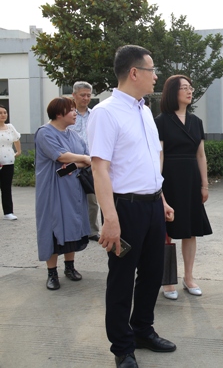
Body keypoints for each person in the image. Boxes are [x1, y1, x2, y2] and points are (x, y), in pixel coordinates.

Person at [87, 45, 176, 368]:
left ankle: (142, 330)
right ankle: (122, 347)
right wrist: (110, 219)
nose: (156, 76)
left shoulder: (143, 111)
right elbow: (100, 169)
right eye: (152, 70)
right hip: (124, 208)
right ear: (135, 72)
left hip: (152, 205)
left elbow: (148, 162)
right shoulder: (105, 113)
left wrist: (161, 199)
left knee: (152, 274)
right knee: (122, 279)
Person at [155, 75, 212, 300]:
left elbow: (201, 155)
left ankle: (189, 277)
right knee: (166, 231)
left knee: (190, 230)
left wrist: (204, 185)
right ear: (172, 92)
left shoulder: (196, 121)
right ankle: (168, 279)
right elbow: (159, 155)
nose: (190, 91)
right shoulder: (160, 121)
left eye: (190, 87)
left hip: (191, 179)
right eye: (184, 88)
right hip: (169, 177)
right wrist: (158, 186)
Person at [35, 97, 91, 290]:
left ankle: (70, 266)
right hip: (52, 190)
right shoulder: (45, 133)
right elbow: (60, 156)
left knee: (72, 225)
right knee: (52, 228)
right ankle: (52, 273)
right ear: (59, 113)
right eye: (72, 110)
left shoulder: (74, 135)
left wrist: (75, 163)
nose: (75, 113)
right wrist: (81, 159)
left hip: (73, 189)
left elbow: (81, 160)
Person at [68, 81, 101, 241]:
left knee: (92, 199)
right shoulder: (67, 114)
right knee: (71, 198)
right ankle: (73, 230)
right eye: (82, 95)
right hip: (70, 163)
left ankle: (92, 231)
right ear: (74, 95)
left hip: (90, 163)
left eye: (88, 95)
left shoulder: (94, 114)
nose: (86, 98)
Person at [0, 104, 21, 220]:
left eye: (5, 112)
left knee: (6, 187)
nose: (3, 115)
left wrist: (18, 151)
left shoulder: (10, 127)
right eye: (0, 113)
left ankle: (8, 212)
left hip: (8, 161)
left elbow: (16, 139)